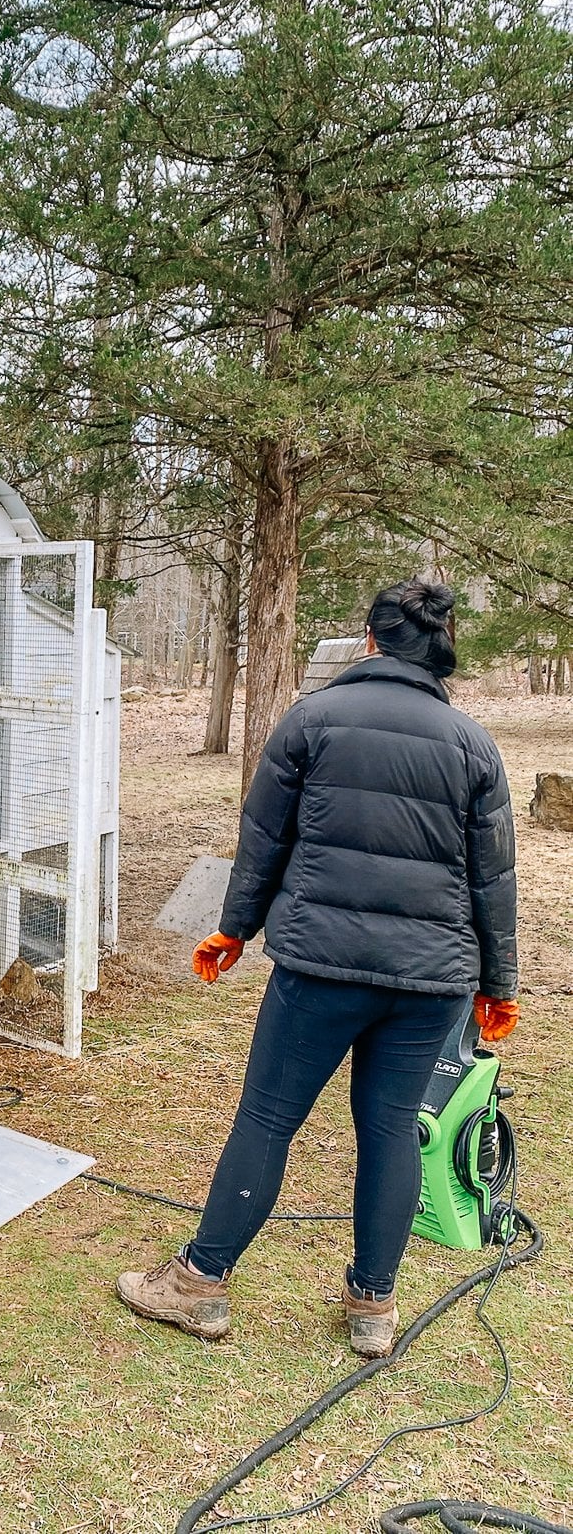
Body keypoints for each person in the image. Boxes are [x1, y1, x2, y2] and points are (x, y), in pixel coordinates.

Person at [116, 578, 519, 1358]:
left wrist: (233, 929)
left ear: (369, 642)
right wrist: (498, 982)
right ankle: (372, 1307)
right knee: (392, 1127)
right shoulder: (474, 744)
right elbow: (493, 879)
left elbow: (262, 836)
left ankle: (201, 1284)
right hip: (432, 983)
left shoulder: (312, 719)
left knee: (268, 1118)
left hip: (321, 970)